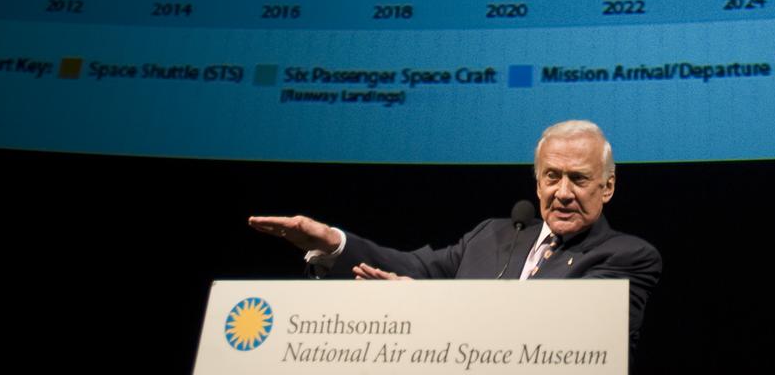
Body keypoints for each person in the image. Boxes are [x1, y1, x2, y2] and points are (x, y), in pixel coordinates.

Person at [249, 119, 662, 352]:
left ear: (607, 187)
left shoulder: (628, 255)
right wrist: (333, 243)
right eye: (551, 177)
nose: (563, 192)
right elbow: (415, 268)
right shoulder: (495, 235)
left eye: (579, 178)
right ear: (537, 184)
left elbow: (565, 323)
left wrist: (432, 306)